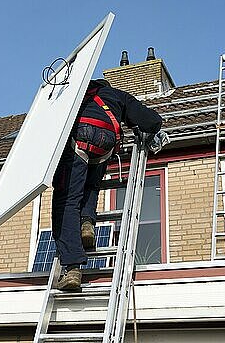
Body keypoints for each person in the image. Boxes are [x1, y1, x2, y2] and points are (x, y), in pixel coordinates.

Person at [52, 79, 163, 291]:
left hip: (79, 140)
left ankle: (72, 268)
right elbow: (151, 120)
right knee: (91, 186)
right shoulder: (119, 96)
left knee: (66, 201)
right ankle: (87, 224)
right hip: (105, 145)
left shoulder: (75, 95)